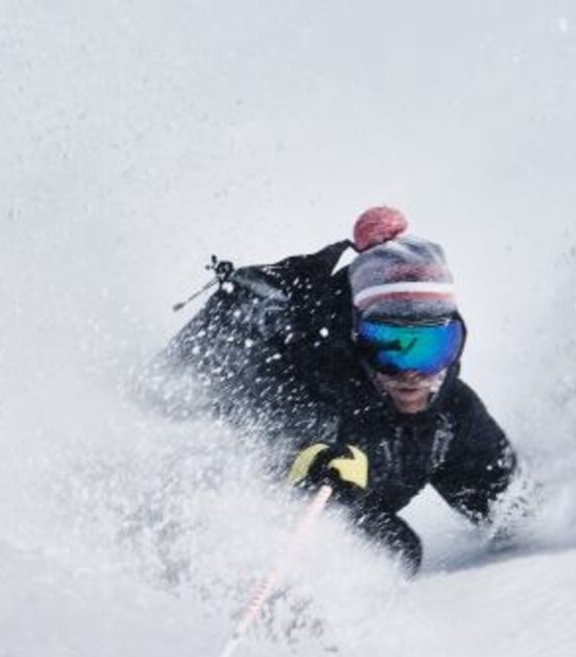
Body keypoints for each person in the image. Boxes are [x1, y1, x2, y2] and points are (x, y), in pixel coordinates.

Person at [158, 206, 520, 575]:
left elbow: (513, 511)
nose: (411, 372)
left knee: (397, 550)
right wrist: (300, 472)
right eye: (389, 343)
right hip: (232, 526)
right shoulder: (300, 377)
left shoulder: (450, 418)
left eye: (432, 347)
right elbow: (217, 461)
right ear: (356, 334)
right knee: (394, 551)